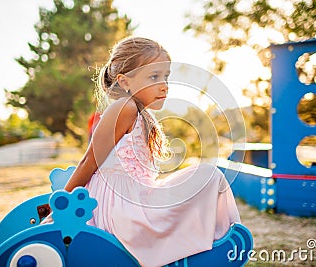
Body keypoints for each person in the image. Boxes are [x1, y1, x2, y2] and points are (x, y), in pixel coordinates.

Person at [45, 36, 240, 267]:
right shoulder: (123, 108)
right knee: (208, 176)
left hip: (137, 199)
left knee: (208, 176)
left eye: (166, 76)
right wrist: (57, 205)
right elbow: (90, 161)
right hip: (121, 209)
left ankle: (210, 240)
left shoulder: (138, 114)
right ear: (125, 81)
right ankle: (216, 241)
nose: (164, 84)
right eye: (154, 76)